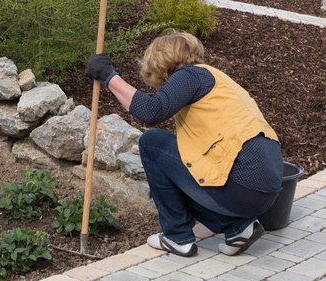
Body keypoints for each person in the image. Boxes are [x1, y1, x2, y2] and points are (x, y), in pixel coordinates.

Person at [85, 30, 283, 257]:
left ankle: (177, 236)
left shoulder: (188, 75)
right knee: (182, 163)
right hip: (266, 194)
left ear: (164, 69)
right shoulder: (217, 81)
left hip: (240, 187)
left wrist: (109, 76)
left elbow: (151, 111)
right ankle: (238, 228)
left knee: (152, 142)